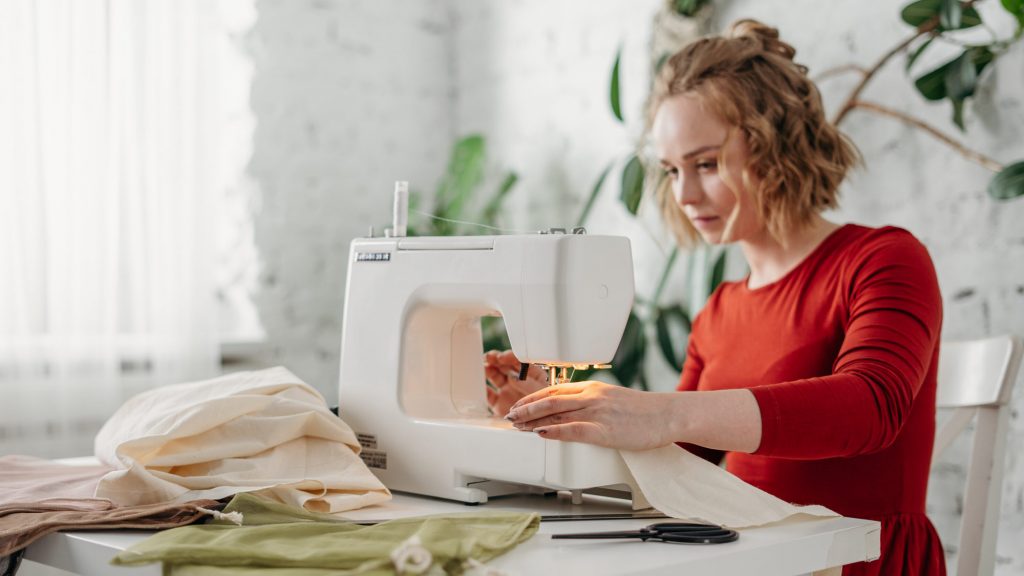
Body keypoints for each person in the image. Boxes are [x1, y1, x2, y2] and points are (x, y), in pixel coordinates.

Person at [485, 19, 946, 576]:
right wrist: (563, 417)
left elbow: (871, 406)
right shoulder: (719, 311)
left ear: (778, 148)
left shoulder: (882, 259)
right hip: (760, 559)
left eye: (705, 164)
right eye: (672, 170)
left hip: (859, 560)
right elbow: (680, 467)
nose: (683, 194)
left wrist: (663, 413)